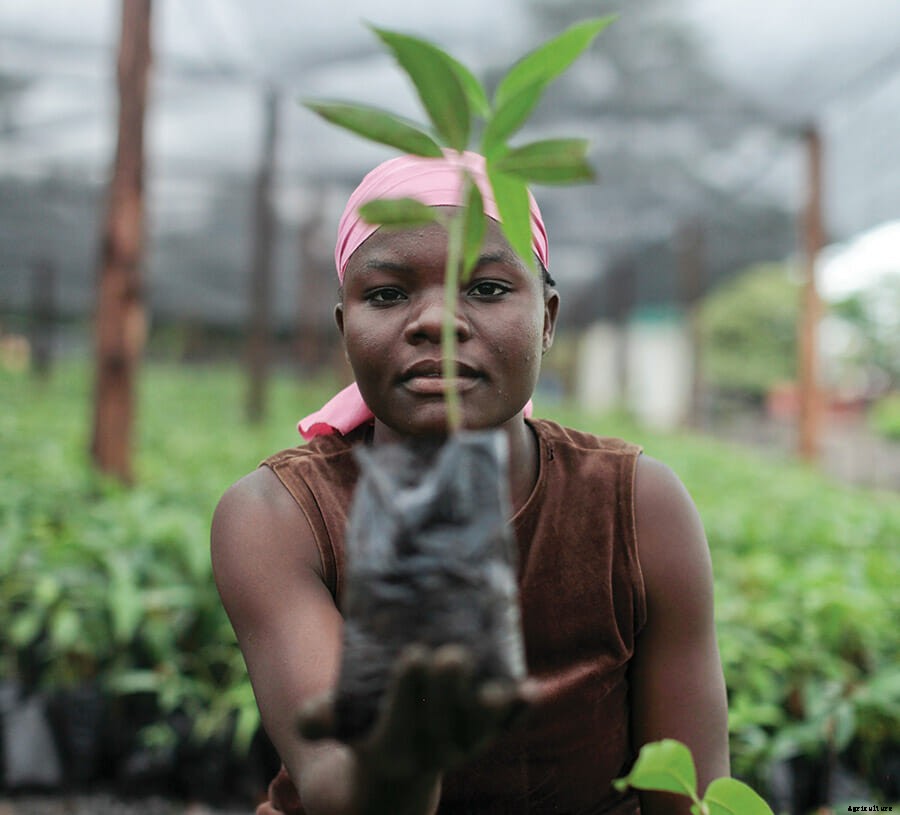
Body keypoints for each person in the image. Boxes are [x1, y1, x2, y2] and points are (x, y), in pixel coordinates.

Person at [211, 150, 730, 815]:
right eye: (387, 293)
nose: (436, 321)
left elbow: (691, 795)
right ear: (346, 328)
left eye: (485, 288)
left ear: (547, 319)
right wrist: (400, 758)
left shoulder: (638, 507)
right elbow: (335, 781)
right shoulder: (278, 517)